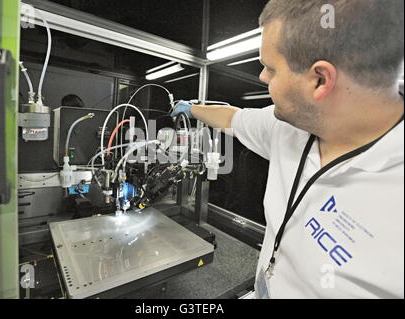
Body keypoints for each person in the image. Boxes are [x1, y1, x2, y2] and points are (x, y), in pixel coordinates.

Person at [172, 0, 404, 298]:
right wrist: (192, 109)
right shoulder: (287, 128)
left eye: (270, 68)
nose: (262, 77)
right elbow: (232, 117)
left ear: (320, 80)